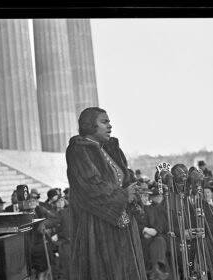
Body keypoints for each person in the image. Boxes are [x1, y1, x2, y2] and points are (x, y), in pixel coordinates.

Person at [65, 107, 146, 280]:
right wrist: (124, 195)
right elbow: (90, 187)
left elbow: (125, 180)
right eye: (104, 121)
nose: (110, 126)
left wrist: (133, 192)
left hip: (124, 225)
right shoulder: (78, 150)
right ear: (89, 125)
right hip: (98, 227)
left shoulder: (109, 149)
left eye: (109, 121)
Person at [134, 183, 169, 280]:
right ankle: (156, 270)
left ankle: (156, 269)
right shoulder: (134, 210)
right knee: (157, 243)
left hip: (153, 238)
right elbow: (133, 224)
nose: (145, 198)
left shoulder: (152, 209)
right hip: (140, 238)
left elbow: (160, 224)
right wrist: (144, 230)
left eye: (146, 196)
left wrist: (155, 230)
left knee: (160, 240)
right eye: (142, 196)